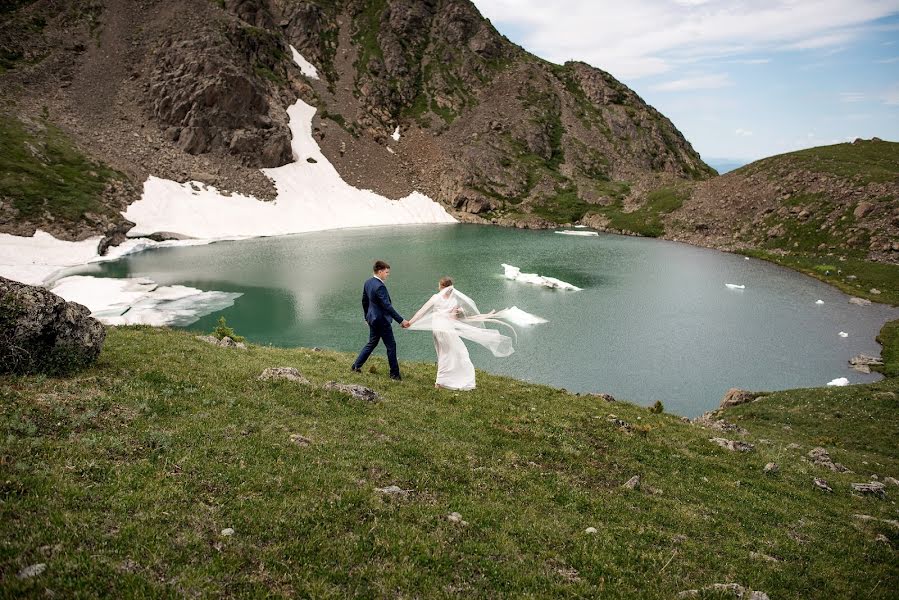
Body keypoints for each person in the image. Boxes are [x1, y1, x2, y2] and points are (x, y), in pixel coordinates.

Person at [407, 277, 520, 390]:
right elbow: (453, 319)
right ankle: (444, 380)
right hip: (447, 330)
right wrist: (460, 314)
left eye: (439, 285)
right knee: (457, 353)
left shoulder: (436, 298)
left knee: (445, 354)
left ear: (442, 287)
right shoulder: (454, 301)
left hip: (438, 330)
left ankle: (442, 381)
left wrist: (410, 322)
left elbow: (422, 311)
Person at [351, 260, 409, 381]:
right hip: (382, 321)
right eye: (387, 272)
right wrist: (401, 320)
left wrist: (366, 317)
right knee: (391, 346)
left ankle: (356, 366)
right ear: (380, 271)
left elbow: (364, 301)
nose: (388, 274)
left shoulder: (368, 282)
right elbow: (387, 306)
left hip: (372, 319)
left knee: (372, 343)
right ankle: (394, 375)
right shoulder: (380, 286)